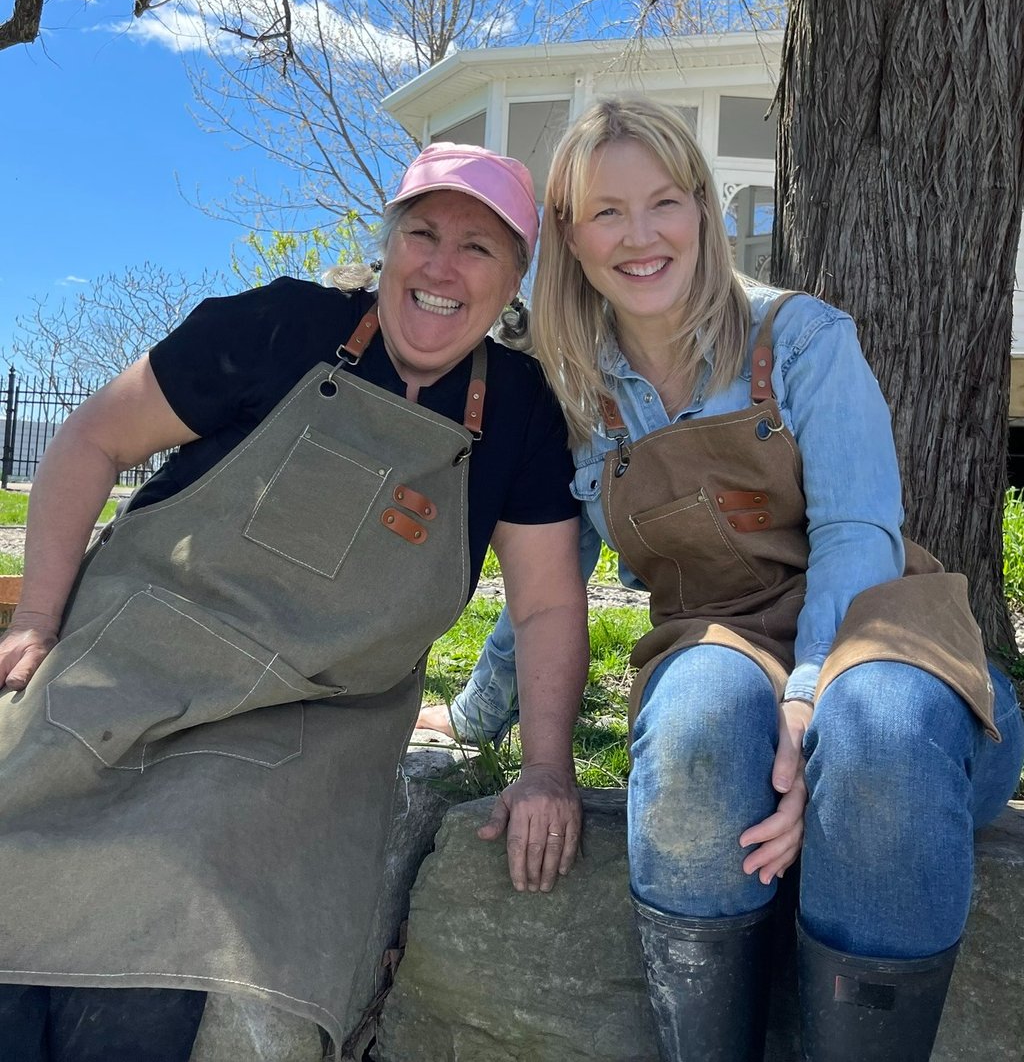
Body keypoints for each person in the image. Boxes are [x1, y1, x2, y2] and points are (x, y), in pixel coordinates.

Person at [420, 98, 1024, 1061]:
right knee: (700, 723)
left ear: (703, 207)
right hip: (717, 644)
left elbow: (859, 534)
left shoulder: (802, 339)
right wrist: (476, 713)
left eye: (665, 201)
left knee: (884, 734)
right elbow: (549, 588)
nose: (641, 234)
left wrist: (808, 717)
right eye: (607, 212)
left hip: (882, 634)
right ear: (570, 238)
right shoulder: (580, 402)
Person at [0, 143, 589, 1062]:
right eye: (423, 234)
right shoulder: (280, 324)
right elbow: (89, 440)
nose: (441, 267)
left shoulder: (520, 413)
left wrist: (548, 768)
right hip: (139, 652)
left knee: (181, 891)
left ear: (515, 277)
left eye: (478, 249)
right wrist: (38, 616)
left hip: (310, 718)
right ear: (388, 245)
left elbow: (549, 605)